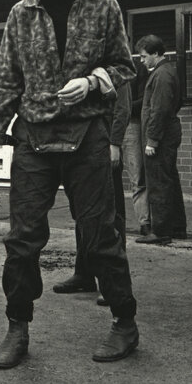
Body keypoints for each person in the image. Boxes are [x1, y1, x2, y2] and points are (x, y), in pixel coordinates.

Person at [0, 0, 138, 369]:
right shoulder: (20, 14)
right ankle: (17, 327)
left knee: (101, 235)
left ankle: (124, 323)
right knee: (23, 240)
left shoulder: (103, 4)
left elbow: (125, 65)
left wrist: (93, 81)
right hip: (33, 141)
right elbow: (5, 80)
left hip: (86, 138)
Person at [53, 81, 130, 307]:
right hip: (81, 149)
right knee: (83, 213)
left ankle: (111, 284)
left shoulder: (113, 69)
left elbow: (122, 108)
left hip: (104, 145)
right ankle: (84, 274)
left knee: (111, 215)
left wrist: (114, 143)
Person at [135, 34, 187, 245]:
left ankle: (161, 231)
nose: (141, 60)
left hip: (161, 137)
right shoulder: (167, 72)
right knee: (169, 180)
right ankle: (176, 227)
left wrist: (152, 140)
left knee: (158, 182)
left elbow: (159, 110)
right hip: (168, 134)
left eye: (144, 56)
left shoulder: (161, 75)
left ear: (156, 54)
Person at [123, 43, 152, 235]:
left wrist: (121, 108)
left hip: (130, 126)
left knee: (137, 177)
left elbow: (144, 100)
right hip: (105, 127)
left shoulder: (137, 68)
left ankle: (144, 223)